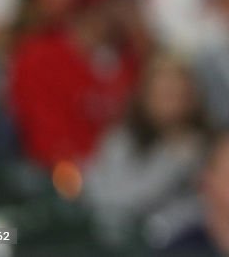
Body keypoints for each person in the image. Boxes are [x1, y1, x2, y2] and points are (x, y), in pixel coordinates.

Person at [8, 0, 145, 170]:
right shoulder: (40, 57)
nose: (136, 4)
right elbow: (46, 146)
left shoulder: (133, 58)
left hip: (124, 184)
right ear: (101, 0)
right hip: (59, 186)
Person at [84, 53, 212, 246]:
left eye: (176, 95)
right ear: (144, 96)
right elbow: (102, 194)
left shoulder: (205, 148)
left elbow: (199, 211)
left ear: (191, 97)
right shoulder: (121, 140)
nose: (170, 103)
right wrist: (173, 161)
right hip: (112, 241)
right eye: (162, 94)